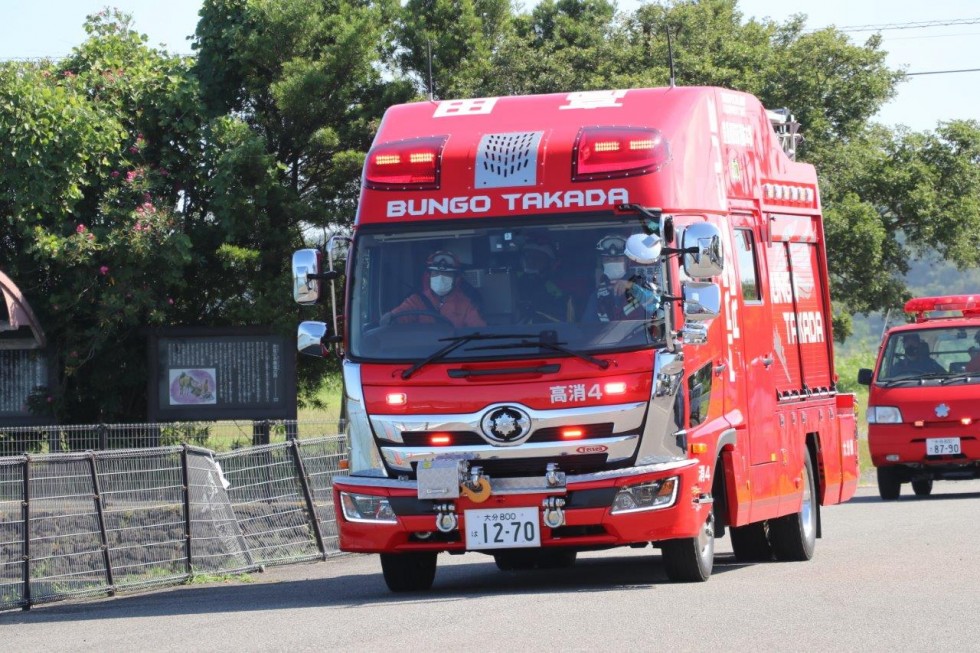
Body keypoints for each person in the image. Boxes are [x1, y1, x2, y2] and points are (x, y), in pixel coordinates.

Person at [384, 250, 485, 328]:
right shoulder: (416, 300)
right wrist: (389, 318)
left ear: (456, 279)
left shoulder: (466, 304)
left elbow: (478, 330)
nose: (440, 277)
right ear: (429, 276)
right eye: (436, 273)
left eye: (446, 274)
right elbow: (398, 316)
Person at [583, 234, 661, 323]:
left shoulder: (641, 283)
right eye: (608, 260)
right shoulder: (597, 296)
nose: (612, 262)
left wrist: (631, 287)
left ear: (627, 261)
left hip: (641, 335)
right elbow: (587, 327)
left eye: (617, 259)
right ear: (602, 263)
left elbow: (657, 305)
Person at [514, 239, 574, 323]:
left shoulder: (554, 289)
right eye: (528, 257)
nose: (531, 261)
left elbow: (562, 319)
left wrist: (543, 305)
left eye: (538, 258)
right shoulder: (510, 279)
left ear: (550, 263)